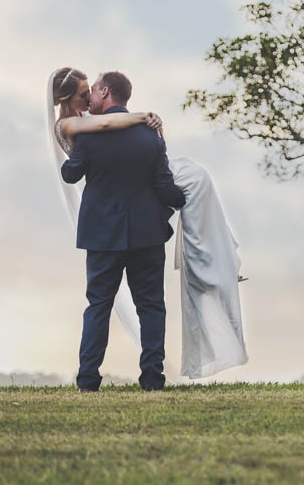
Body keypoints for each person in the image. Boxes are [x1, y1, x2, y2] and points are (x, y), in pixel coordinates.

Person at [46, 68, 249, 385]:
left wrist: (78, 159)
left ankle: (88, 378)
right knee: (152, 307)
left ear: (105, 93)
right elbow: (166, 188)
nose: (90, 96)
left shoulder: (86, 136)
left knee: (98, 306)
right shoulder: (150, 137)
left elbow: (71, 175)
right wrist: (183, 200)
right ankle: (153, 377)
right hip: (147, 233)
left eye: (94, 90)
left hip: (102, 234)